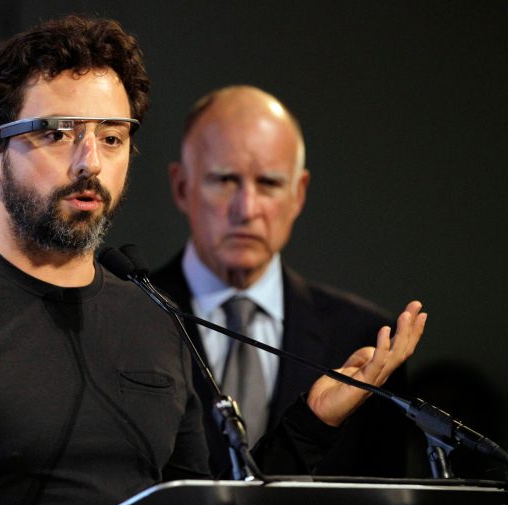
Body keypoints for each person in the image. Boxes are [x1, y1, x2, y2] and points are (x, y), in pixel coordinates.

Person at [0, 17, 426, 505]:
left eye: (112, 137)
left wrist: (310, 424)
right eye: (58, 132)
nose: (89, 161)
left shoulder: (155, 319)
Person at [152, 85, 416, 478]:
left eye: (270, 183)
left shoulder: (364, 339)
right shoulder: (128, 316)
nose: (247, 209)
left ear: (299, 193)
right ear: (181, 187)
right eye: (224, 180)